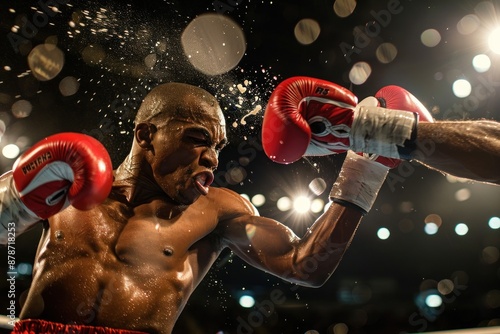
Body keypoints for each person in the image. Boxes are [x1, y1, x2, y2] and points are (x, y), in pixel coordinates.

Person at [0, 78, 499, 334]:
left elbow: (307, 266)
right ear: (146, 135)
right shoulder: (70, 182)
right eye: (198, 139)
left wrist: (362, 173)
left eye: (217, 145)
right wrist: (11, 203)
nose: (211, 157)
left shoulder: (217, 210)